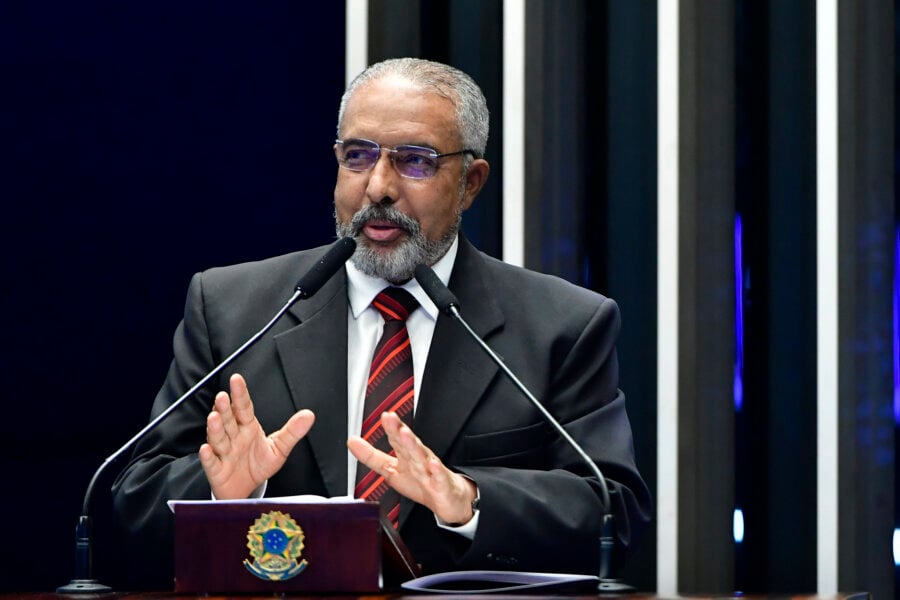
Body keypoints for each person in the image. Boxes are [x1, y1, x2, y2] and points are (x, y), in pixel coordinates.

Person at [111, 57, 652, 588]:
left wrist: (468, 498)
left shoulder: (563, 325)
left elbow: (613, 514)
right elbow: (133, 504)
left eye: (415, 160)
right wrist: (223, 493)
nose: (378, 187)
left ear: (471, 182)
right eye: (358, 155)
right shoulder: (232, 308)